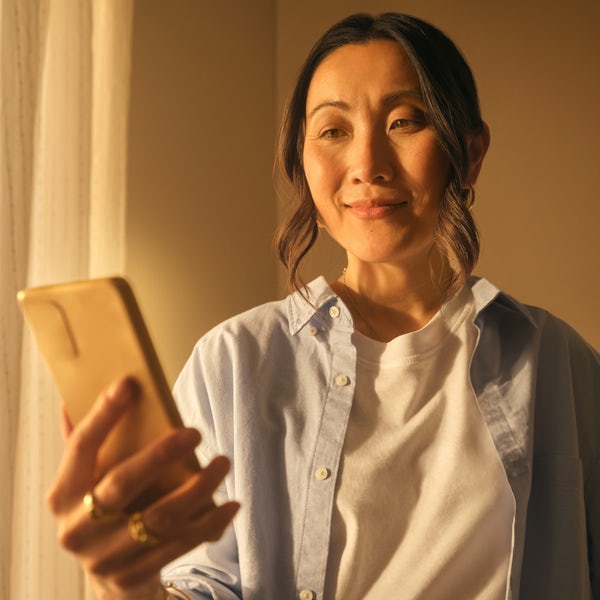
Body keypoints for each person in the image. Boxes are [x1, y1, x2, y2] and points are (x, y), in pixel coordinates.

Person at [47, 12, 599, 600]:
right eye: (333, 131)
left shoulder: (556, 363)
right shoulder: (233, 363)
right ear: (302, 159)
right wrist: (125, 586)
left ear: (470, 151)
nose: (367, 165)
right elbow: (196, 582)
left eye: (405, 121)